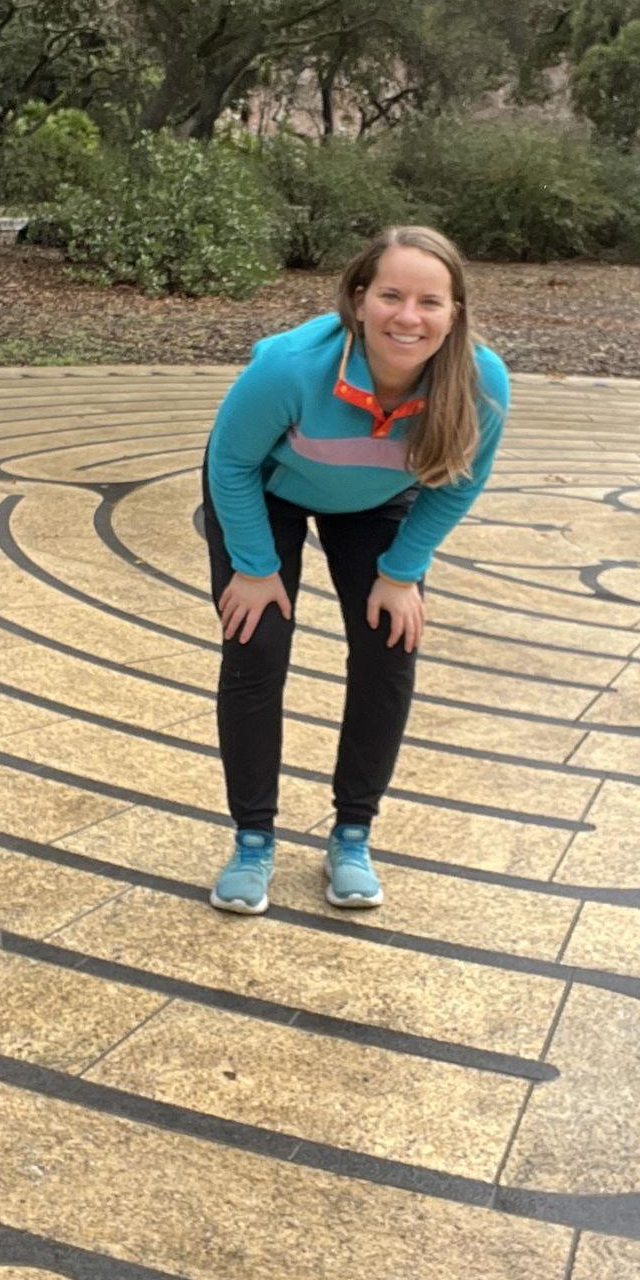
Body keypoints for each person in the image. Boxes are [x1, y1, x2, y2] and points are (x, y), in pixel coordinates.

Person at [202, 225, 508, 914]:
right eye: (391, 295)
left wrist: (402, 573)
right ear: (358, 299)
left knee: (389, 647)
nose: (409, 316)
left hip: (377, 501)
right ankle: (253, 839)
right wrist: (254, 567)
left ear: (455, 312)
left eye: (430, 301)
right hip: (266, 493)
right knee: (256, 646)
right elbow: (231, 461)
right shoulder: (289, 368)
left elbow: (457, 481)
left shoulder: (482, 381)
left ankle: (353, 834)